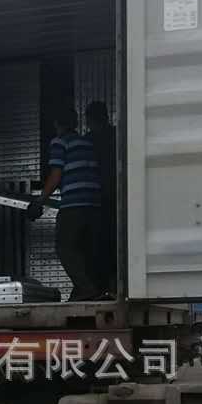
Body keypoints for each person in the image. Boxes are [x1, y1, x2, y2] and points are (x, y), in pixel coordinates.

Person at [27, 105, 101, 301]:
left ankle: (86, 288)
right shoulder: (86, 142)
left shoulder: (59, 142)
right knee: (84, 249)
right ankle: (86, 290)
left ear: (56, 124)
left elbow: (56, 175)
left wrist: (39, 201)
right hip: (94, 204)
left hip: (74, 205)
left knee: (65, 247)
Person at [85, 100, 117, 295]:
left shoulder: (88, 140)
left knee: (96, 245)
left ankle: (98, 287)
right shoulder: (117, 135)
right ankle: (114, 285)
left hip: (95, 199)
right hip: (117, 197)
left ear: (89, 119)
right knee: (115, 243)